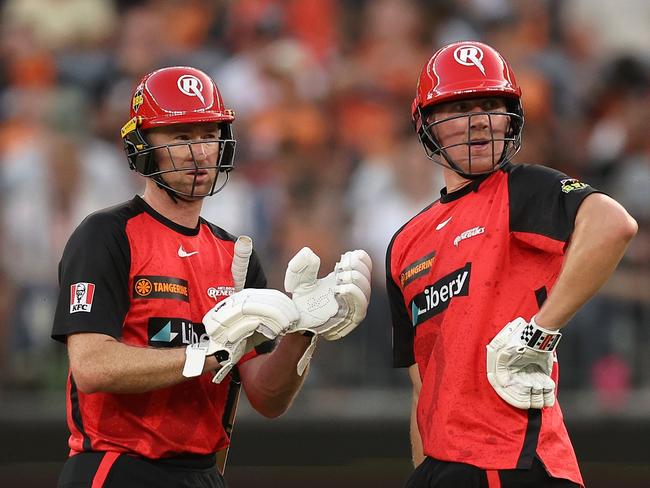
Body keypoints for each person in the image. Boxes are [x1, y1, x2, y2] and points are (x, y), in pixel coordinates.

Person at [51, 66, 372, 488]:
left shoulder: (236, 254)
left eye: (207, 135)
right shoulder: (107, 233)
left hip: (204, 472)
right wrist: (209, 353)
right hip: (116, 466)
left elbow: (268, 399)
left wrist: (303, 331)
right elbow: (92, 365)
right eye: (180, 137)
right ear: (142, 145)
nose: (198, 152)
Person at [386, 41, 637, 488]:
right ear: (427, 125)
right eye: (460, 106)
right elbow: (422, 388)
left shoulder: (522, 188)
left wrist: (539, 333)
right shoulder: (404, 243)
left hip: (515, 458)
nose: (479, 119)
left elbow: (613, 224)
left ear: (509, 118)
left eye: (490, 104)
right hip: (442, 468)